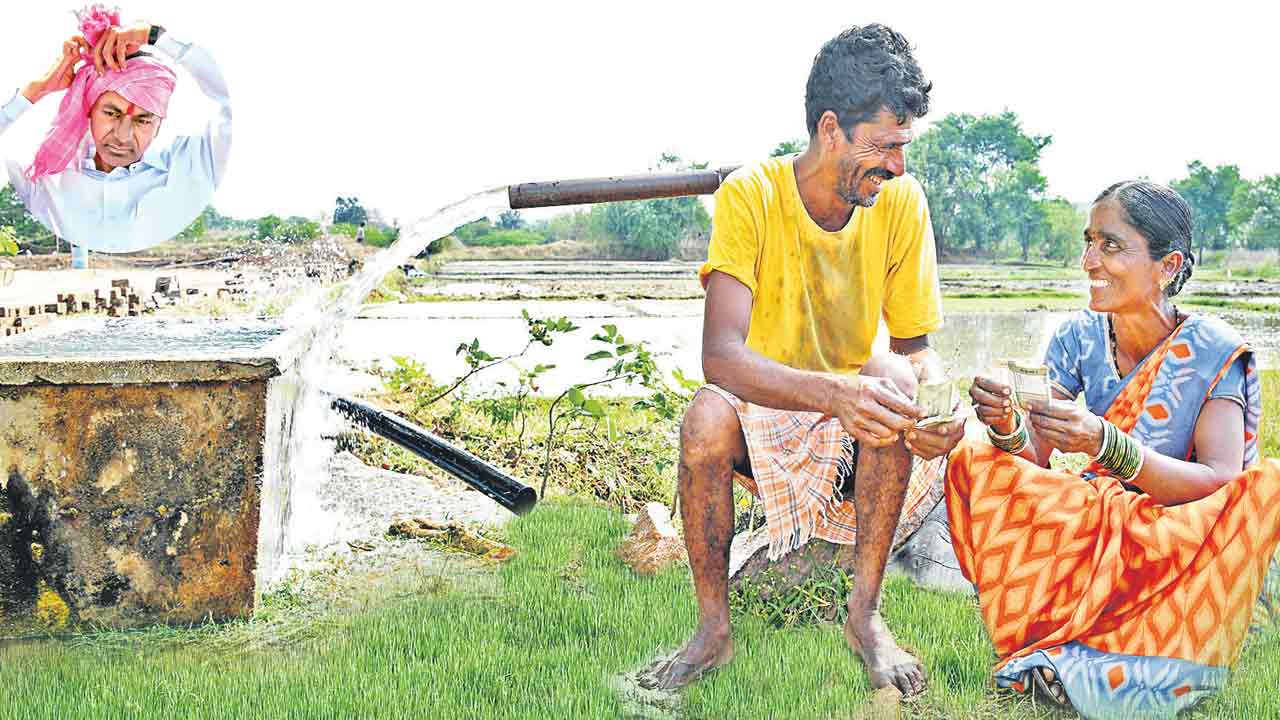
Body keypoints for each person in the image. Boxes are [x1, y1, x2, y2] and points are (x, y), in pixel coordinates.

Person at [641, 24, 965, 696]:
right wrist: (832, 394)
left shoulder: (902, 204)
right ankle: (711, 630)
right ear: (830, 131)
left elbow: (914, 350)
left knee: (894, 379)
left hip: (842, 426)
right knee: (704, 417)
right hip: (765, 409)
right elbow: (721, 359)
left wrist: (940, 401)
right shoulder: (750, 194)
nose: (897, 167)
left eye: (903, 149)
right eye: (884, 147)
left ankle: (864, 614)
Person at [948, 180, 1280, 719]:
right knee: (974, 459)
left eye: (1110, 245)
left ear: (1168, 265)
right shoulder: (1078, 337)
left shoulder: (1213, 349)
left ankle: (1122, 663)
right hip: (1101, 519)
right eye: (1088, 242)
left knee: (1269, 485)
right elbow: (1032, 456)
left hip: (1183, 532)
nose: (1088, 261)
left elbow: (1223, 483)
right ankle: (1056, 635)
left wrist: (1108, 443)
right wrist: (1007, 424)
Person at [0, 6, 231, 268]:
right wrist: (36, 91)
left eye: (143, 119)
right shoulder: (41, 181)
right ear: (89, 110)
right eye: (111, 113)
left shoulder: (197, 164)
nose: (122, 136)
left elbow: (236, 104)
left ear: (160, 122)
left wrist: (156, 36)